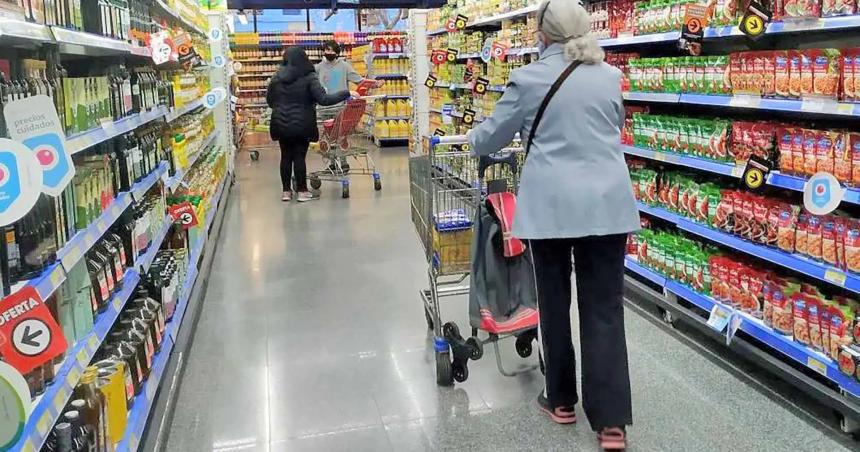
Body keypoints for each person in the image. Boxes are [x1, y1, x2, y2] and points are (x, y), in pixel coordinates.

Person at [467, 0, 639, 450]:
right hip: (606, 204)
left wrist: (471, 137)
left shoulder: (527, 79)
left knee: (554, 301)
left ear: (543, 34)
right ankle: (611, 421)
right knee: (604, 308)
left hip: (551, 208)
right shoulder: (610, 76)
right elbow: (615, 124)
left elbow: (492, 136)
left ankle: (561, 398)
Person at [266, 46, 351, 202]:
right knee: (299, 156)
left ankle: (286, 192)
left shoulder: (276, 78)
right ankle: (302, 192)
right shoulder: (309, 77)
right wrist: (346, 93)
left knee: (285, 156)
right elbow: (324, 100)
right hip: (302, 123)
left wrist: (282, 107)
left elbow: (270, 101)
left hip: (280, 123)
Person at [315, 40, 382, 172]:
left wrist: (375, 84)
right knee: (328, 138)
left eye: (331, 50)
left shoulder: (344, 66)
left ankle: (344, 162)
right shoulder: (318, 68)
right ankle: (333, 163)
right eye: (326, 50)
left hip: (340, 106)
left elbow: (360, 80)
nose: (328, 53)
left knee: (341, 135)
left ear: (337, 52)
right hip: (324, 107)